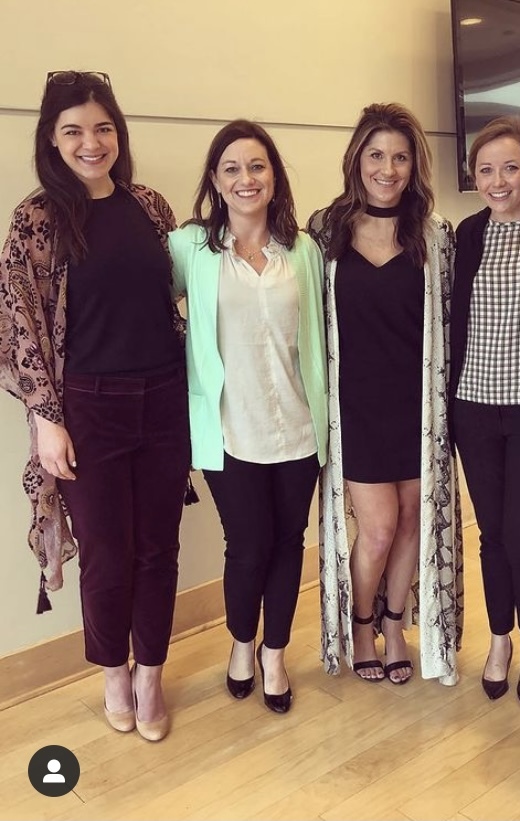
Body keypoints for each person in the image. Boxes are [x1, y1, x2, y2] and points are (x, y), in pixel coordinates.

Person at [0, 71, 190, 741]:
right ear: (52, 139)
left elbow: (181, 297)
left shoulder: (150, 206)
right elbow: (19, 325)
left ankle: (150, 674)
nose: (92, 142)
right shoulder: (37, 219)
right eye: (74, 130)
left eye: (103, 127)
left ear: (119, 133)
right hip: (88, 407)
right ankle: (113, 671)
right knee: (108, 553)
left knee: (158, 549)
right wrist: (45, 418)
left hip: (164, 399)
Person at [169, 120, 327, 715]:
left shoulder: (303, 251)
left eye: (257, 166)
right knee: (247, 545)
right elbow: (146, 305)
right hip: (230, 430)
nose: (246, 178)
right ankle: (241, 644)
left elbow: (321, 337)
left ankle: (274, 653)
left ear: (274, 176)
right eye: (231, 168)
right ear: (215, 180)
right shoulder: (190, 249)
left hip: (300, 427)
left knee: (289, 542)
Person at [307, 102, 463, 686]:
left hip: (417, 408)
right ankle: (361, 624)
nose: (387, 169)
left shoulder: (434, 235)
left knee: (411, 524)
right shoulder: (325, 232)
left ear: (414, 165)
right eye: (376, 155)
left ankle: (396, 627)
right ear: (357, 160)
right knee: (375, 529)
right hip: (354, 410)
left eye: (400, 157)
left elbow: (449, 323)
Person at [449, 115, 520, 703]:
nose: (498, 181)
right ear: (475, 176)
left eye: (510, 168)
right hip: (474, 406)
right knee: (491, 533)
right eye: (486, 170)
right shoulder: (467, 235)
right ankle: (499, 639)